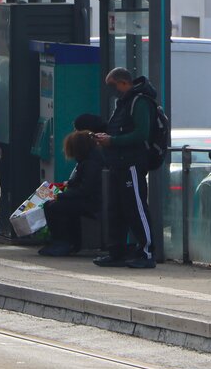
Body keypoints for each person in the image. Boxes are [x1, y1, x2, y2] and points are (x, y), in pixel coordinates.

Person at [93, 68, 158, 268]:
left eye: (113, 86)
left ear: (123, 83)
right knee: (116, 208)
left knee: (135, 207)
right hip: (117, 162)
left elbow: (141, 134)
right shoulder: (124, 103)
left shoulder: (140, 102)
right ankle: (117, 251)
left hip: (131, 162)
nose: (112, 90)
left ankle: (147, 253)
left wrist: (111, 141)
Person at [39, 130, 104, 257]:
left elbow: (86, 189)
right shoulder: (89, 160)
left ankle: (63, 242)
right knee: (52, 205)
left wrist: (61, 195)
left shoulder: (90, 163)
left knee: (54, 207)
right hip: (87, 199)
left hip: (91, 202)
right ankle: (64, 241)